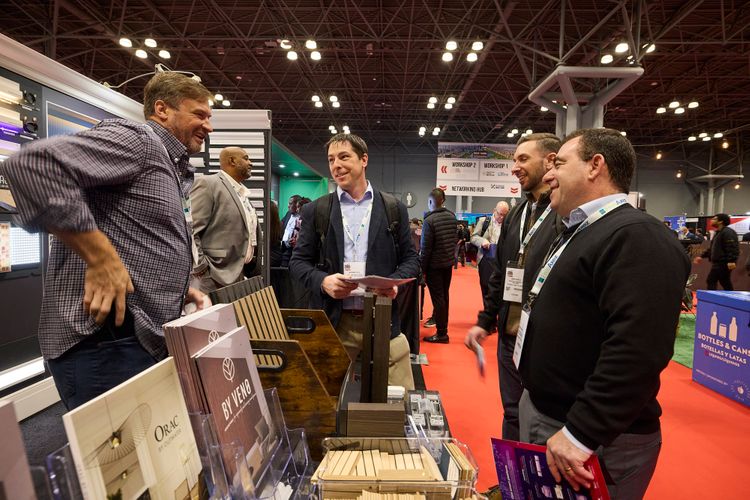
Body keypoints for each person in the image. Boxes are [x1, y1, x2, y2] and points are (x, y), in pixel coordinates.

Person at [0, 72, 212, 409]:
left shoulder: (168, 163)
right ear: (162, 109)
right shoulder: (139, 141)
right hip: (106, 341)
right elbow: (31, 165)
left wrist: (174, 288)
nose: (208, 126)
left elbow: (136, 234)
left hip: (131, 339)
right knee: (120, 444)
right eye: (199, 114)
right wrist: (101, 259)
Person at [517, 128, 690, 499]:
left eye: (560, 164)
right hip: (550, 416)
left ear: (595, 166)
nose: (549, 175)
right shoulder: (578, 230)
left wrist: (582, 432)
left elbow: (637, 350)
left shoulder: (638, 237)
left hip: (591, 440)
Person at [289, 133, 419, 388]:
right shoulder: (317, 210)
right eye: (331, 159)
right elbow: (298, 262)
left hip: (382, 317)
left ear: (364, 160)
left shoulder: (393, 208)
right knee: (327, 396)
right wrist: (323, 281)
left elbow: (411, 260)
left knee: (400, 398)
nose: (336, 165)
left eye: (344, 157)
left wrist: (392, 283)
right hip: (336, 321)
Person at [464, 133, 562, 440]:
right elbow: (502, 273)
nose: (515, 167)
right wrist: (485, 321)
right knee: (512, 412)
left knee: (544, 419)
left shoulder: (564, 213)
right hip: (510, 334)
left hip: (545, 340)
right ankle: (512, 472)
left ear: (550, 161)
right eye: (514, 160)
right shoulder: (517, 213)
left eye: (523, 159)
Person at [191, 147, 260, 292]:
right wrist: (201, 267)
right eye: (246, 158)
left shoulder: (242, 193)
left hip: (239, 275)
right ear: (232, 161)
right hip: (213, 276)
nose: (251, 163)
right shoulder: (208, 184)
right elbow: (191, 229)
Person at [420, 188, 458, 344]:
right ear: (443, 200)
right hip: (447, 264)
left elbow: (425, 249)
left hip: (434, 267)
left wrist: (421, 270)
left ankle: (442, 334)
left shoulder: (429, 221)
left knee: (438, 300)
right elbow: (453, 240)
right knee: (444, 297)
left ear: (430, 201)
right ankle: (443, 330)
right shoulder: (452, 216)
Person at [471, 201, 510, 305]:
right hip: (486, 259)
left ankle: (498, 311)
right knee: (485, 286)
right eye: (500, 214)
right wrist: (482, 241)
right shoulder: (484, 221)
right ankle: (487, 311)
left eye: (505, 215)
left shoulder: (509, 223)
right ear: (494, 211)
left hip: (501, 260)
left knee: (500, 288)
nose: (502, 217)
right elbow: (473, 237)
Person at [695, 213, 740, 290]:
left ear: (720, 221)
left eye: (714, 219)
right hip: (719, 263)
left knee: (711, 280)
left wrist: (731, 260)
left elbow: (732, 247)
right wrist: (701, 256)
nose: (711, 220)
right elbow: (712, 248)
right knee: (724, 281)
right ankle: (731, 296)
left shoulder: (728, 232)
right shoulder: (718, 233)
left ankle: (711, 296)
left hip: (723, 263)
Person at [280, 194, 301, 265]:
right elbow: (280, 225)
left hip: (294, 251)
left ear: (297, 205)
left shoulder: (302, 217)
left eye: (290, 203)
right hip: (283, 248)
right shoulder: (288, 214)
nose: (288, 206)